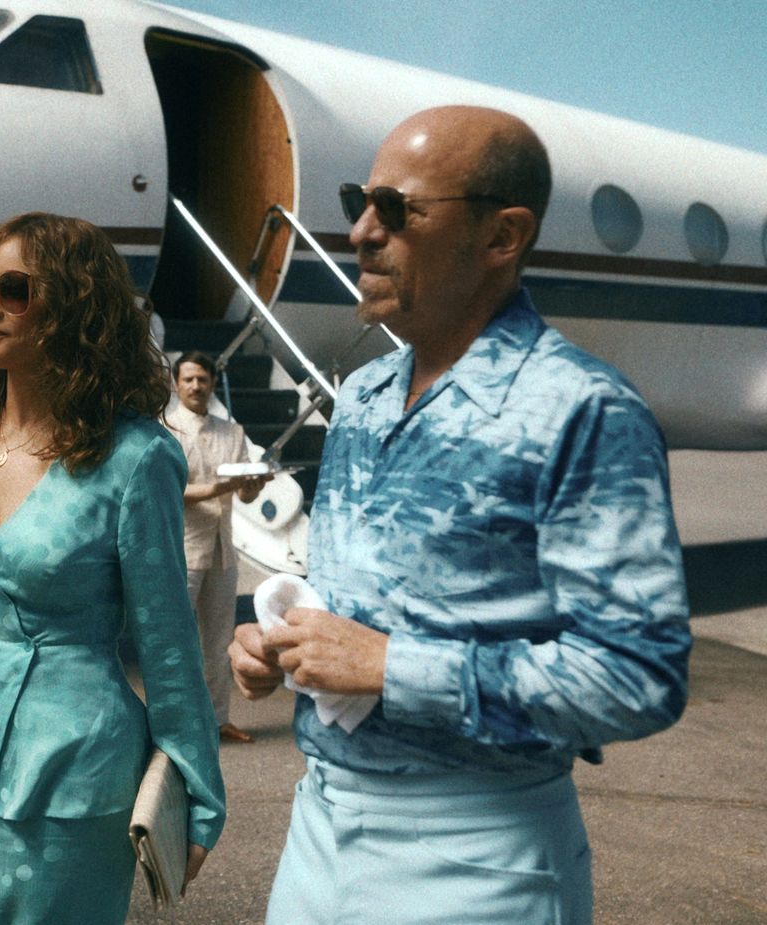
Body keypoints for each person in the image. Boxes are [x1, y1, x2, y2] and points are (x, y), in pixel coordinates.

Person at [228, 106, 691, 924]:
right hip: (318, 828)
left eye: (396, 210)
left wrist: (391, 667)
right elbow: (367, 609)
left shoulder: (582, 408)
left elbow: (638, 675)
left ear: (502, 236)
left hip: (475, 853)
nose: (360, 233)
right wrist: (288, 645)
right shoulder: (364, 395)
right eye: (358, 202)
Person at [0, 213, 226, 924]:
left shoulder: (136, 457)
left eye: (16, 289)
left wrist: (198, 795)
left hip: (74, 775)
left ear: (77, 309)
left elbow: (168, 642)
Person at [164, 351, 269, 743]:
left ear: (211, 384)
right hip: (183, 548)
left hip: (223, 549)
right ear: (176, 384)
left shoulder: (232, 431)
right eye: (188, 379)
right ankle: (175, 726)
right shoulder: (166, 429)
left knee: (219, 640)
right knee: (176, 640)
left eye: (202, 379)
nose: (196, 386)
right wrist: (215, 489)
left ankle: (218, 720)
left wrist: (251, 486)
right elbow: (169, 488)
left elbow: (243, 495)